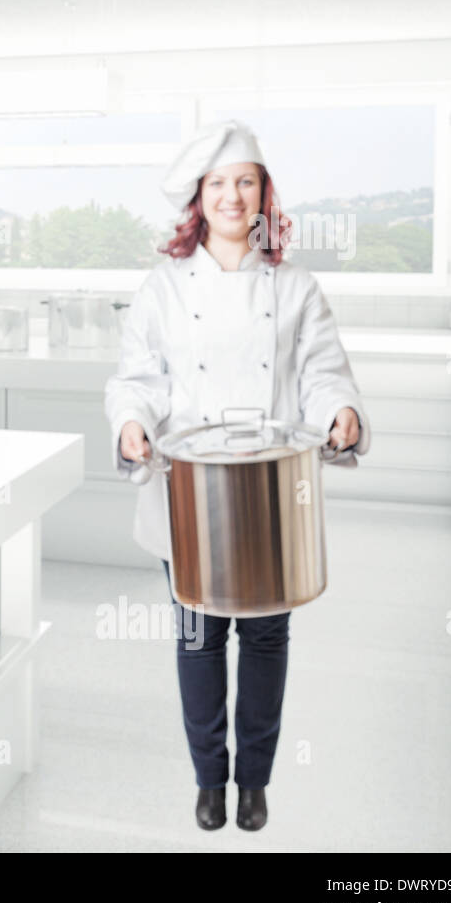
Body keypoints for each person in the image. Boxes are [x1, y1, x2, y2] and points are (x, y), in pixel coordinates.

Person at [103, 120, 369, 832]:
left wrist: (341, 410)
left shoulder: (296, 285)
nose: (231, 196)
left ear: (263, 195)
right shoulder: (162, 288)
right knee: (198, 638)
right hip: (188, 493)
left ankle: (254, 779)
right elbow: (139, 378)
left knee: (266, 639)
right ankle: (207, 778)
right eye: (218, 184)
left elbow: (321, 372)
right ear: (199, 198)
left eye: (245, 182)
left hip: (270, 495)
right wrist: (131, 422)